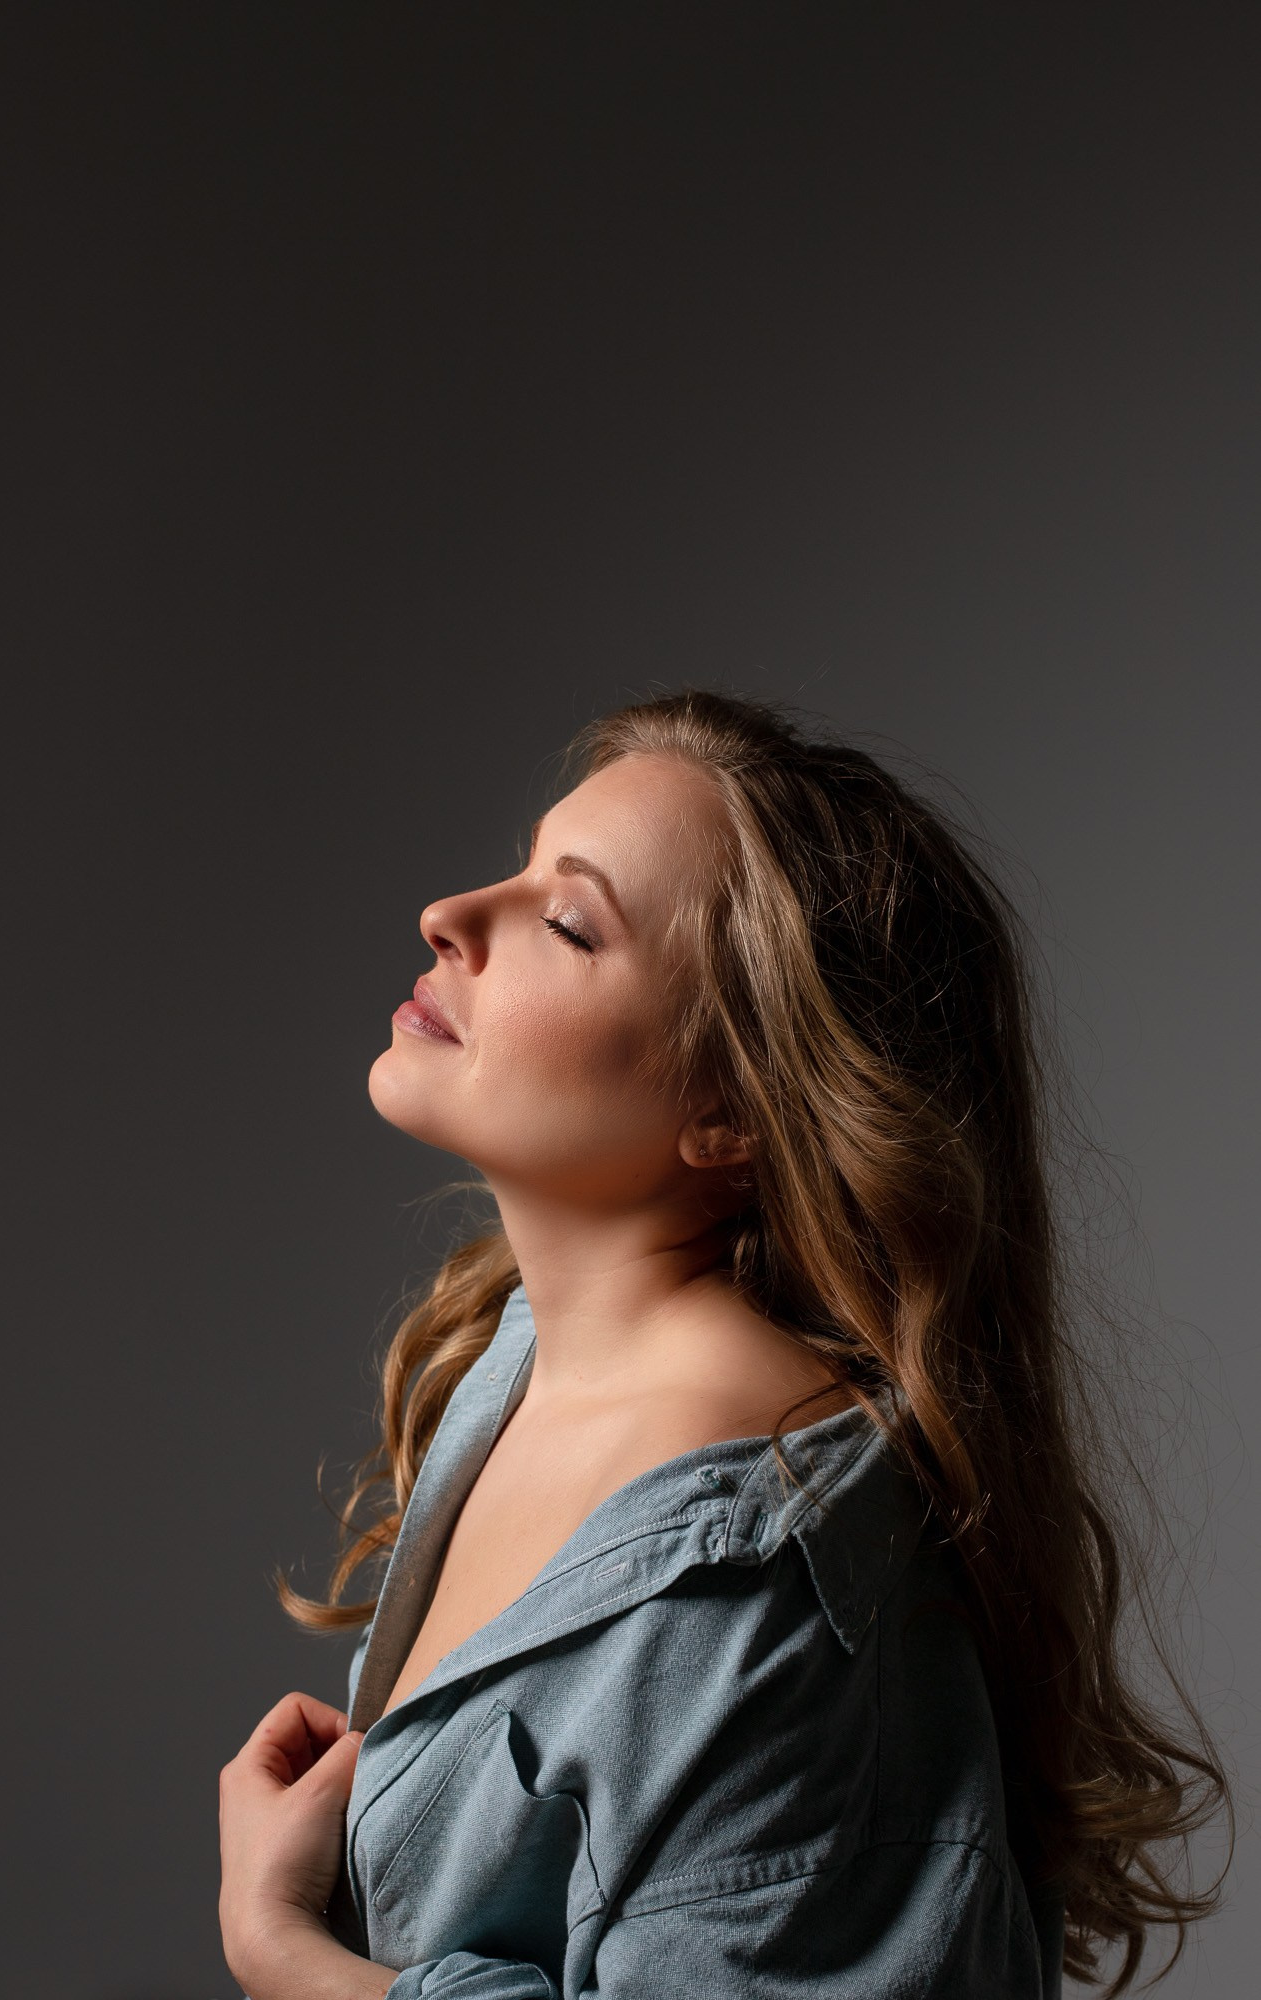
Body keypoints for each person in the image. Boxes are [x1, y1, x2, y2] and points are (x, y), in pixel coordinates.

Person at [218, 688, 1232, 1999]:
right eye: (519, 866)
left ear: (732, 1113)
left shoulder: (764, 1573)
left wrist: (282, 1948)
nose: (451, 918)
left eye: (567, 922)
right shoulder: (519, 1364)